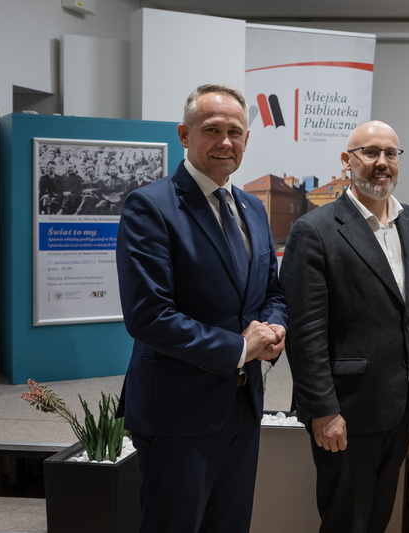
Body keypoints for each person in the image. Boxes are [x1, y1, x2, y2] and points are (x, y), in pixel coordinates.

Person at [115, 83, 287, 532]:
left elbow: (271, 291)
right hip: (178, 414)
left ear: (247, 139)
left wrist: (274, 327)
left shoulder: (252, 208)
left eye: (235, 131)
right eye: (212, 129)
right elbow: (149, 316)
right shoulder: (149, 207)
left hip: (242, 409)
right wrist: (240, 348)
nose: (225, 141)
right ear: (184, 134)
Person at [280, 120, 409, 532]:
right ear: (347, 160)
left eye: (391, 153)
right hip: (346, 407)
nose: (382, 162)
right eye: (370, 152)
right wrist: (323, 410)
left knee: (378, 517)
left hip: (400, 403)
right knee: (346, 520)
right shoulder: (315, 230)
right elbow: (305, 334)